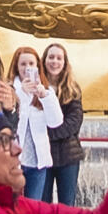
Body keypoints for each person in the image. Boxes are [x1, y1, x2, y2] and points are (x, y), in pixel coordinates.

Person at [9, 42, 64, 198]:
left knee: (32, 208)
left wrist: (45, 97)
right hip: (13, 163)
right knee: (12, 207)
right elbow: (10, 119)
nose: (27, 68)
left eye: (31, 63)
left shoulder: (46, 91)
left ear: (38, 67)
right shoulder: (10, 90)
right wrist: (21, 94)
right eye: (23, 64)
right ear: (16, 67)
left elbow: (56, 122)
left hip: (37, 161)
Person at [38, 42, 85, 205]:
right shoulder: (36, 87)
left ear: (65, 63)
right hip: (43, 155)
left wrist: (47, 133)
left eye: (59, 58)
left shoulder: (72, 89)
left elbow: (74, 122)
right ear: (44, 60)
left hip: (68, 157)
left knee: (67, 205)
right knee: (43, 204)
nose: (54, 61)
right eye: (51, 57)